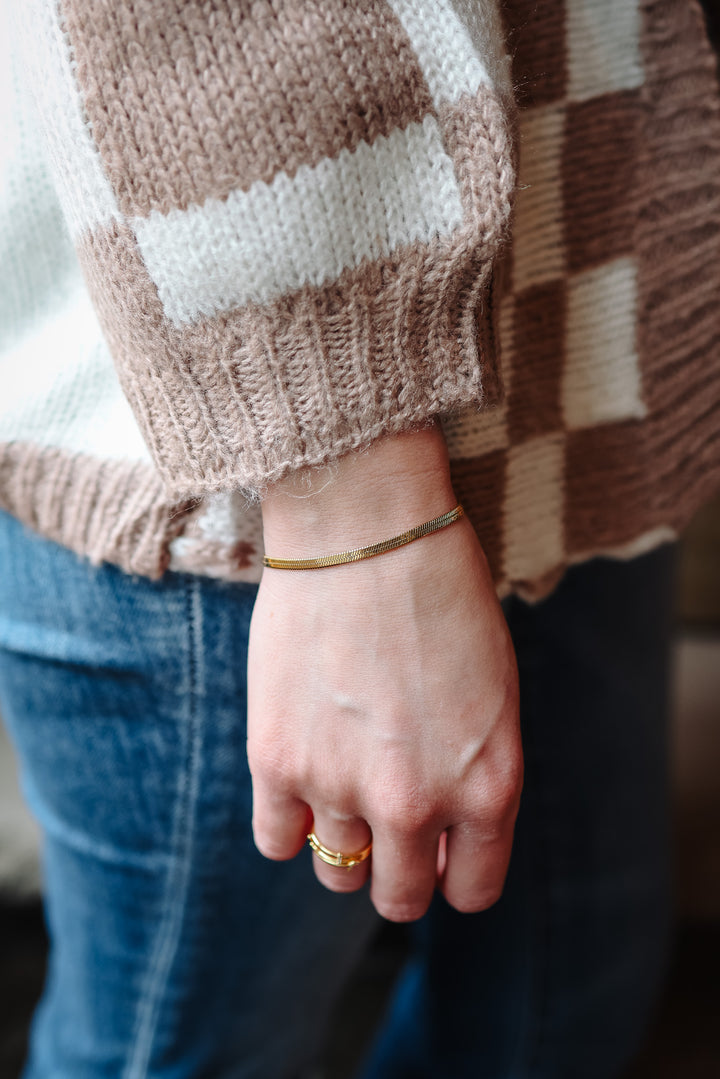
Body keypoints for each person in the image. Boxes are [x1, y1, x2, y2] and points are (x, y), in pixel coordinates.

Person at [0, 1, 718, 1076]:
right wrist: (357, 504)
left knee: (568, 994)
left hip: (574, 348)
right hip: (258, 478)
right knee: (190, 1051)